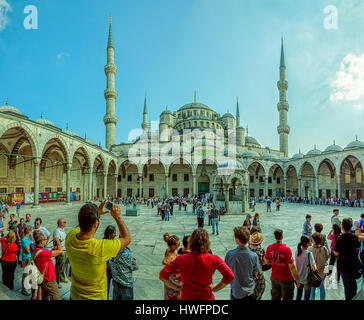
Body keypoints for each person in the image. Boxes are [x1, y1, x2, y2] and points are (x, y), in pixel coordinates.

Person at [65, 201, 131, 300]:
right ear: (96, 223)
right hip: (96, 297)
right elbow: (127, 239)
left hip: (75, 295)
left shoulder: (70, 237)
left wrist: (96, 214)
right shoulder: (99, 248)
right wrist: (117, 217)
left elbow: (80, 226)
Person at [159, 228, 234, 300]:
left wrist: (177, 287)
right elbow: (230, 276)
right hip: (206, 297)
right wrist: (215, 288)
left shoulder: (181, 259)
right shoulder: (214, 259)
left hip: (187, 296)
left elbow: (162, 276)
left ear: (191, 242)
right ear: (207, 242)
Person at [264, 229, 300, 300]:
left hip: (274, 277)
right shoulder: (287, 249)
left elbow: (266, 262)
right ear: (282, 236)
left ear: (275, 237)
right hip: (286, 279)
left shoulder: (269, 248)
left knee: (275, 298)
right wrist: (297, 279)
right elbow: (292, 267)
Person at [225, 227, 259, 300]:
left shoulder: (230, 255)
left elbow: (226, 272)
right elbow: (256, 274)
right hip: (250, 292)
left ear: (237, 240)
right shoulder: (254, 255)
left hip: (236, 291)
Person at [334, 218, 361, 300]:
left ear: (342, 227)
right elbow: (358, 247)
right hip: (353, 264)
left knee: (347, 287)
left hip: (344, 265)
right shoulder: (354, 237)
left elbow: (336, 252)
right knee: (353, 285)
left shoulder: (340, 238)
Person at [33, 232, 64, 300]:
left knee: (45, 296)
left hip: (44, 278)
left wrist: (54, 251)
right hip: (49, 279)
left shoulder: (37, 249)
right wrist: (57, 240)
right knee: (56, 297)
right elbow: (60, 250)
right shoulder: (43, 253)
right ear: (41, 242)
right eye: (45, 239)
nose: (46, 240)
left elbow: (47, 255)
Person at [295, 235, 317, 300]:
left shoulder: (296, 252)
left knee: (298, 296)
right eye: (309, 241)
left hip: (298, 278)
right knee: (306, 297)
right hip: (306, 279)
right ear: (307, 244)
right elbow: (314, 268)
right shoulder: (309, 254)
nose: (310, 242)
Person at [309, 232, 330, 300]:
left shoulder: (310, 249)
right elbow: (327, 257)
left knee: (312, 290)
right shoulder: (324, 248)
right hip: (322, 272)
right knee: (322, 288)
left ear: (314, 240)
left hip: (313, 273)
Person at [162, 233, 181, 300]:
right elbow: (164, 261)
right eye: (178, 244)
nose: (179, 246)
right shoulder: (170, 255)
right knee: (172, 296)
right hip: (173, 280)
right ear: (173, 246)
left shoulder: (169, 250)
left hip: (172, 279)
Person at [248, 232, 266, 300]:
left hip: (248, 275)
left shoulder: (247, 249)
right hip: (258, 276)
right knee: (258, 293)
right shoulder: (261, 251)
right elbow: (264, 262)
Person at [53, 218, 68, 288]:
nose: (65, 223)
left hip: (64, 250)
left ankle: (61, 278)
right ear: (60, 224)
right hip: (60, 251)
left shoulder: (62, 230)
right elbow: (57, 241)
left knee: (62, 266)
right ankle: (56, 282)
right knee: (58, 267)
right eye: (64, 222)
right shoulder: (57, 231)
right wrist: (60, 251)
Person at [104, 225, 117, 299]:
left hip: (110, 267)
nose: (115, 234)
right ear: (109, 234)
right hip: (107, 268)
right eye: (114, 233)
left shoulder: (111, 241)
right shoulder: (108, 243)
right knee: (107, 285)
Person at [21, 225, 32, 296]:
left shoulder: (27, 238)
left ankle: (26, 286)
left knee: (28, 273)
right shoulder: (24, 240)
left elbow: (30, 243)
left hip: (28, 257)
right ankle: (23, 289)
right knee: (25, 274)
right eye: (31, 231)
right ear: (29, 232)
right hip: (26, 258)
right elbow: (28, 251)